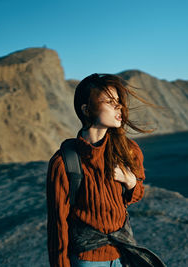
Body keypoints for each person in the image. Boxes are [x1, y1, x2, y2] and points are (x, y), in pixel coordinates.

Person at [46, 73, 160, 267]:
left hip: (123, 253)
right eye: (109, 101)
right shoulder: (64, 162)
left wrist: (130, 181)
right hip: (87, 260)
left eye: (118, 101)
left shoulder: (128, 150)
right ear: (87, 109)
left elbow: (136, 194)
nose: (119, 107)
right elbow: (58, 227)